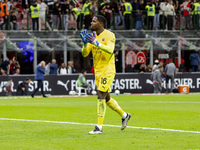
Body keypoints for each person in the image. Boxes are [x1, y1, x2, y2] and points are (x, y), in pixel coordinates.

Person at [80, 15, 131, 134]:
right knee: (106, 98)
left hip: (108, 69)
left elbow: (110, 49)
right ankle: (124, 115)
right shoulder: (92, 37)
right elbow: (85, 54)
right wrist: (84, 43)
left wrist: (96, 43)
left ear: (101, 24)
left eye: (94, 21)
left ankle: (99, 127)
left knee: (100, 95)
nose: (91, 23)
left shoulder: (109, 35)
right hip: (97, 70)